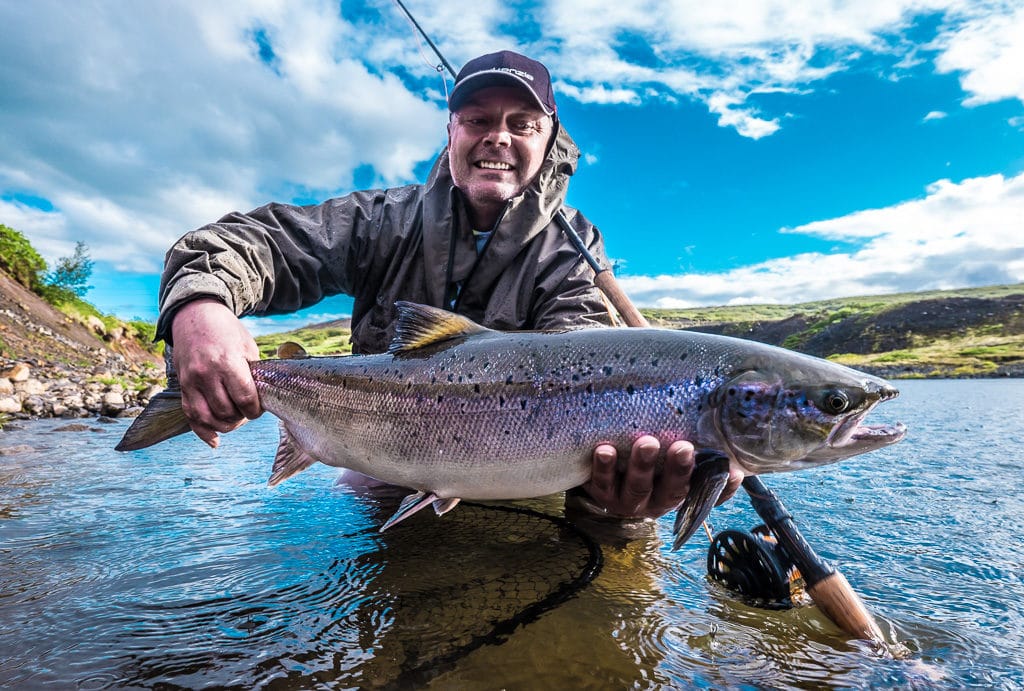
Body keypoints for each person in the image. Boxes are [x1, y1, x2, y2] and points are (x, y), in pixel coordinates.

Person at [155, 50, 742, 521]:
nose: (498, 138)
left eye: (521, 124)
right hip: (383, 449)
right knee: (354, 531)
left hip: (537, 469)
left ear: (549, 139)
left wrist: (618, 501)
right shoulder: (382, 219)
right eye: (478, 121)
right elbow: (257, 243)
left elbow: (586, 365)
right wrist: (201, 309)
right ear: (452, 131)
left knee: (623, 532)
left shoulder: (572, 253)